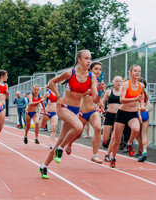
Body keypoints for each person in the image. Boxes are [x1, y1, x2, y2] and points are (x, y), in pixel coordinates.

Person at [39, 49, 101, 179]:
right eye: (86, 58)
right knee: (79, 128)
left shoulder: (92, 77)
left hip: (75, 111)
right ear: (79, 60)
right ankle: (61, 149)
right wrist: (58, 96)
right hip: (63, 107)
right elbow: (52, 82)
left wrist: (99, 92)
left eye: (90, 58)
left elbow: (95, 98)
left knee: (59, 141)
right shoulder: (69, 73)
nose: (89, 61)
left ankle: (44, 166)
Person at [64, 61, 106, 164]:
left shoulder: (99, 81)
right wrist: (94, 89)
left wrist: (100, 100)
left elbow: (96, 97)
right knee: (78, 133)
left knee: (97, 128)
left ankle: (95, 155)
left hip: (93, 110)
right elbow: (81, 93)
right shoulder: (85, 79)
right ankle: (69, 144)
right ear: (90, 70)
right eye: (96, 69)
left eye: (100, 69)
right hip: (81, 112)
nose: (98, 71)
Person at [110, 65, 145, 168]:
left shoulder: (141, 85)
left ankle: (129, 143)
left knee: (136, 129)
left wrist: (142, 106)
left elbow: (142, 97)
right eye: (135, 71)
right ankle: (113, 158)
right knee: (117, 140)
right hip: (122, 113)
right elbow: (121, 100)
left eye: (139, 71)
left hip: (133, 113)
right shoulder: (125, 84)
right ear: (130, 73)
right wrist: (135, 99)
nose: (137, 73)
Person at [101, 76, 122, 162]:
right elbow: (102, 102)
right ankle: (107, 146)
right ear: (113, 82)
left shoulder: (123, 93)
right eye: (116, 81)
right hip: (109, 115)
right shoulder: (109, 92)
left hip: (119, 116)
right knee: (106, 139)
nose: (118, 83)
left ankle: (107, 155)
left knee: (114, 137)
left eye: (120, 81)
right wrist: (102, 111)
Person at [137, 77, 150, 162]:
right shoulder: (145, 93)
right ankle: (144, 151)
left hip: (139, 113)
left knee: (138, 135)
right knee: (144, 134)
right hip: (145, 113)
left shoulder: (137, 92)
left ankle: (142, 152)